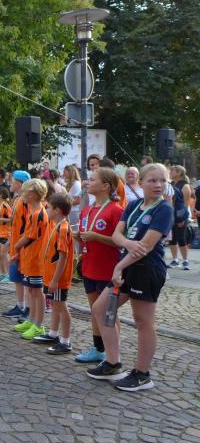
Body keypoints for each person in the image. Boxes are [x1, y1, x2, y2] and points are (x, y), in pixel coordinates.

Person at [88, 163, 173, 390]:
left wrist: (119, 266)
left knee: (143, 320)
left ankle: (142, 374)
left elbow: (145, 246)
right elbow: (117, 234)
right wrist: (127, 243)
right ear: (141, 182)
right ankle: (112, 363)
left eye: (162, 181)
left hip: (147, 269)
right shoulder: (134, 205)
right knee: (100, 308)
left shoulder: (164, 209)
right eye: (152, 180)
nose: (158, 185)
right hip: (128, 265)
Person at [75, 167, 124, 363]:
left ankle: (114, 354)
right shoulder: (87, 210)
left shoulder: (116, 210)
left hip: (108, 269)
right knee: (94, 310)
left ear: (105, 186)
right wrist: (79, 237)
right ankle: (98, 348)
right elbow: (86, 236)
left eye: (92, 179)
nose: (88, 182)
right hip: (89, 267)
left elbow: (121, 242)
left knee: (109, 313)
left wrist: (97, 237)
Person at [32, 193, 74, 354]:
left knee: (61, 306)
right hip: (51, 275)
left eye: (48, 207)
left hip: (58, 278)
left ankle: (65, 341)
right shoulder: (57, 225)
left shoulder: (63, 228)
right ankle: (53, 333)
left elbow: (63, 257)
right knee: (56, 305)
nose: (46, 209)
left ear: (57, 210)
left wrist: (55, 280)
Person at [13, 178, 49, 340]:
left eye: (25, 192)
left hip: (36, 259)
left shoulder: (38, 214)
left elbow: (29, 236)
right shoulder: (33, 212)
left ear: (33, 195)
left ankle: (39, 325)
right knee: (31, 290)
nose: (22, 195)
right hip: (29, 257)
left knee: (37, 292)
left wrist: (16, 247)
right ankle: (32, 320)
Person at [1, 170, 31, 319]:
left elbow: (28, 225)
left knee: (25, 280)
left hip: (22, 245)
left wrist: (20, 244)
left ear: (19, 183)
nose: (10, 183)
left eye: (12, 181)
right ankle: (20, 305)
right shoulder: (18, 199)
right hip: (15, 243)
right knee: (17, 278)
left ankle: (28, 308)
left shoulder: (26, 201)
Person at [167, 165, 191, 270]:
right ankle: (175, 260)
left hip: (180, 216)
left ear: (179, 173)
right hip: (170, 215)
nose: (170, 172)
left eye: (172, 171)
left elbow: (185, 204)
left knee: (181, 238)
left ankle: (185, 260)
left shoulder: (185, 186)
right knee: (172, 239)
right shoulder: (171, 184)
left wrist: (182, 219)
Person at [0, 186, 12, 281]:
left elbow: (11, 219)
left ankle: (9, 275)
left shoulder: (5, 205)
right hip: (2, 233)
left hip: (7, 233)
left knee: (3, 254)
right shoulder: (1, 205)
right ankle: (3, 273)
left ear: (0, 195)